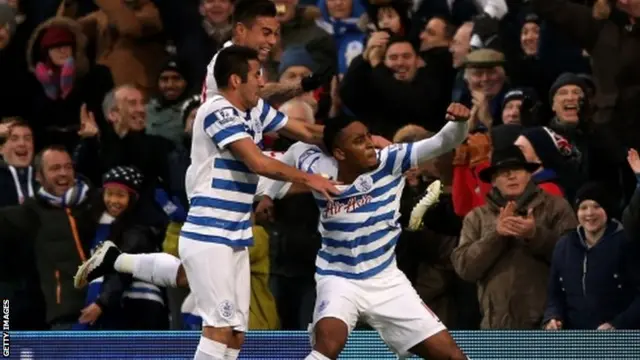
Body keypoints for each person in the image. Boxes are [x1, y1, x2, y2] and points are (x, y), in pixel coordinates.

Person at [76, 45, 338, 360]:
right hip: (209, 231)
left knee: (236, 337)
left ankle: (117, 260)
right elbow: (258, 162)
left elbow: (307, 131)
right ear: (235, 80)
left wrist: (360, 139)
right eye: (257, 75)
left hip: (237, 235)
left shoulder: (254, 110)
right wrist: (311, 179)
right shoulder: (217, 110)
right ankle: (117, 260)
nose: (262, 83)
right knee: (218, 331)